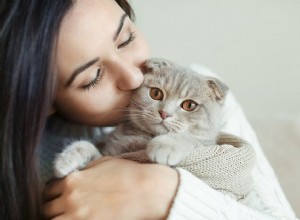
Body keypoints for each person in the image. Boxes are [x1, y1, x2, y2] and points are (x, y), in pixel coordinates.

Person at [0, 0, 298, 220]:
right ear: (45, 101)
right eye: (93, 77)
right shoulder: (21, 165)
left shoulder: (202, 92)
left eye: (126, 38)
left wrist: (163, 192)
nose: (134, 77)